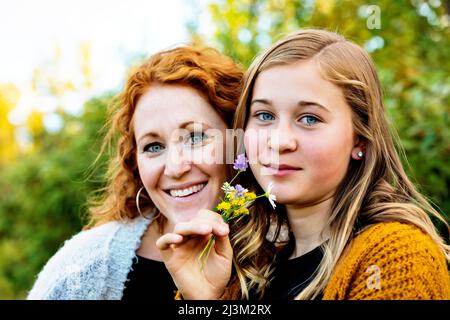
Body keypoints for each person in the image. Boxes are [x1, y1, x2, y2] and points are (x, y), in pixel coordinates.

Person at [157, 29, 450, 300]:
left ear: (359, 140)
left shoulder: (396, 256)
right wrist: (205, 299)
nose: (279, 141)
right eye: (264, 116)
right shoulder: (248, 267)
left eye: (309, 118)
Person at [27, 46, 243, 300]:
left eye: (195, 137)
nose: (175, 167)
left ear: (237, 138)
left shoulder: (288, 253)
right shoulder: (80, 271)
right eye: (154, 146)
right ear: (135, 162)